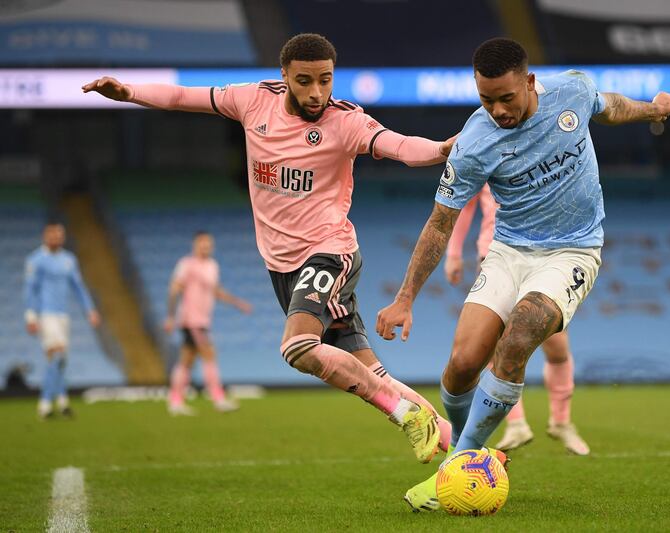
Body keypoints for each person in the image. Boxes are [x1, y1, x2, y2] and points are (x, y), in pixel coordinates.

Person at [83, 33, 456, 462]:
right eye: (304, 81)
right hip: (281, 266)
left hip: (329, 250)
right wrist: (129, 92)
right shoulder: (253, 101)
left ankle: (404, 414)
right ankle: (467, 452)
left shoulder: (345, 121)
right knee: (373, 373)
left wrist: (441, 149)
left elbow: (399, 146)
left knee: (297, 348)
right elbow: (182, 96)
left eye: (325, 80)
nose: (316, 93)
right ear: (284, 76)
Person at [377, 37, 670, 510]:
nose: (497, 109)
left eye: (506, 97)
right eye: (486, 99)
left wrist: (652, 109)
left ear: (530, 82)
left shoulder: (572, 92)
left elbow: (610, 106)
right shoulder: (474, 142)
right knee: (461, 367)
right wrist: (404, 297)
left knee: (519, 337)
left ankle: (453, 469)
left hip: (573, 251)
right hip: (508, 251)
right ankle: (469, 450)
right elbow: (440, 224)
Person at [445, 185, 590, 455]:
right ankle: (516, 423)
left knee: (556, 345)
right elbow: (465, 204)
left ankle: (561, 421)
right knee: (495, 343)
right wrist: (454, 253)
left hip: (542, 251)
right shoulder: (484, 148)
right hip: (494, 251)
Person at [164, 231, 252, 415]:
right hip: (191, 320)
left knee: (186, 360)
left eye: (209, 244)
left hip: (203, 320)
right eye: (203, 243)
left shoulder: (212, 266)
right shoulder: (186, 264)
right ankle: (218, 398)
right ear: (195, 244)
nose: (206, 247)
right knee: (209, 354)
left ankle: (175, 401)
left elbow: (215, 291)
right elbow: (174, 289)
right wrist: (171, 316)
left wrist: (238, 303)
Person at [24, 222, 101, 418]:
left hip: (63, 316)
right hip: (46, 314)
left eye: (60, 234)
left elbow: (78, 287)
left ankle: (62, 402)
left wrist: (90, 309)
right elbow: (30, 289)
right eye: (53, 234)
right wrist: (30, 315)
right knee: (57, 356)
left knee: (61, 360)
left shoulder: (69, 260)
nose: (57, 238)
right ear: (45, 236)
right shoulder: (36, 260)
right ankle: (45, 403)